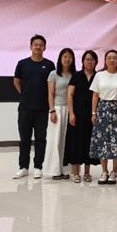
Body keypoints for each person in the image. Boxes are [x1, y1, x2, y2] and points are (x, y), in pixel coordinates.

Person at [12, 35, 55, 179]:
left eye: (41, 45)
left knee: (40, 139)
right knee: (24, 139)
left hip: (42, 109)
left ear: (44, 47)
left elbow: (52, 85)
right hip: (25, 108)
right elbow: (17, 81)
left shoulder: (49, 65)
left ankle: (38, 167)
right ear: (31, 46)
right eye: (35, 44)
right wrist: (25, 94)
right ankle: (23, 167)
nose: (38, 47)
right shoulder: (22, 64)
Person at [89, 50, 117, 184]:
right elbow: (95, 95)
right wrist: (93, 113)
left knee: (116, 141)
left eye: (114, 58)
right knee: (102, 140)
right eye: (109, 58)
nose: (112, 60)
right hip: (102, 109)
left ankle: (114, 172)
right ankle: (104, 171)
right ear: (105, 60)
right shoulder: (99, 75)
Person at [66, 50, 100, 183]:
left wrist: (95, 113)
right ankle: (75, 172)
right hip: (77, 114)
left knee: (89, 142)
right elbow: (70, 95)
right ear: (83, 61)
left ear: (96, 62)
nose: (90, 62)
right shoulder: (76, 75)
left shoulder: (98, 76)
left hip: (92, 115)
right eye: (87, 59)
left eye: (92, 59)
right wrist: (71, 113)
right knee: (75, 141)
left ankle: (87, 172)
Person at [43, 48, 76, 180]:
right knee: (55, 140)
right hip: (57, 109)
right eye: (65, 57)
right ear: (60, 58)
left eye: (70, 57)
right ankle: (54, 170)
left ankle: (64, 169)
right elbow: (50, 94)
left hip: (70, 109)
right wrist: (52, 110)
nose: (67, 59)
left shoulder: (74, 75)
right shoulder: (53, 74)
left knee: (66, 142)